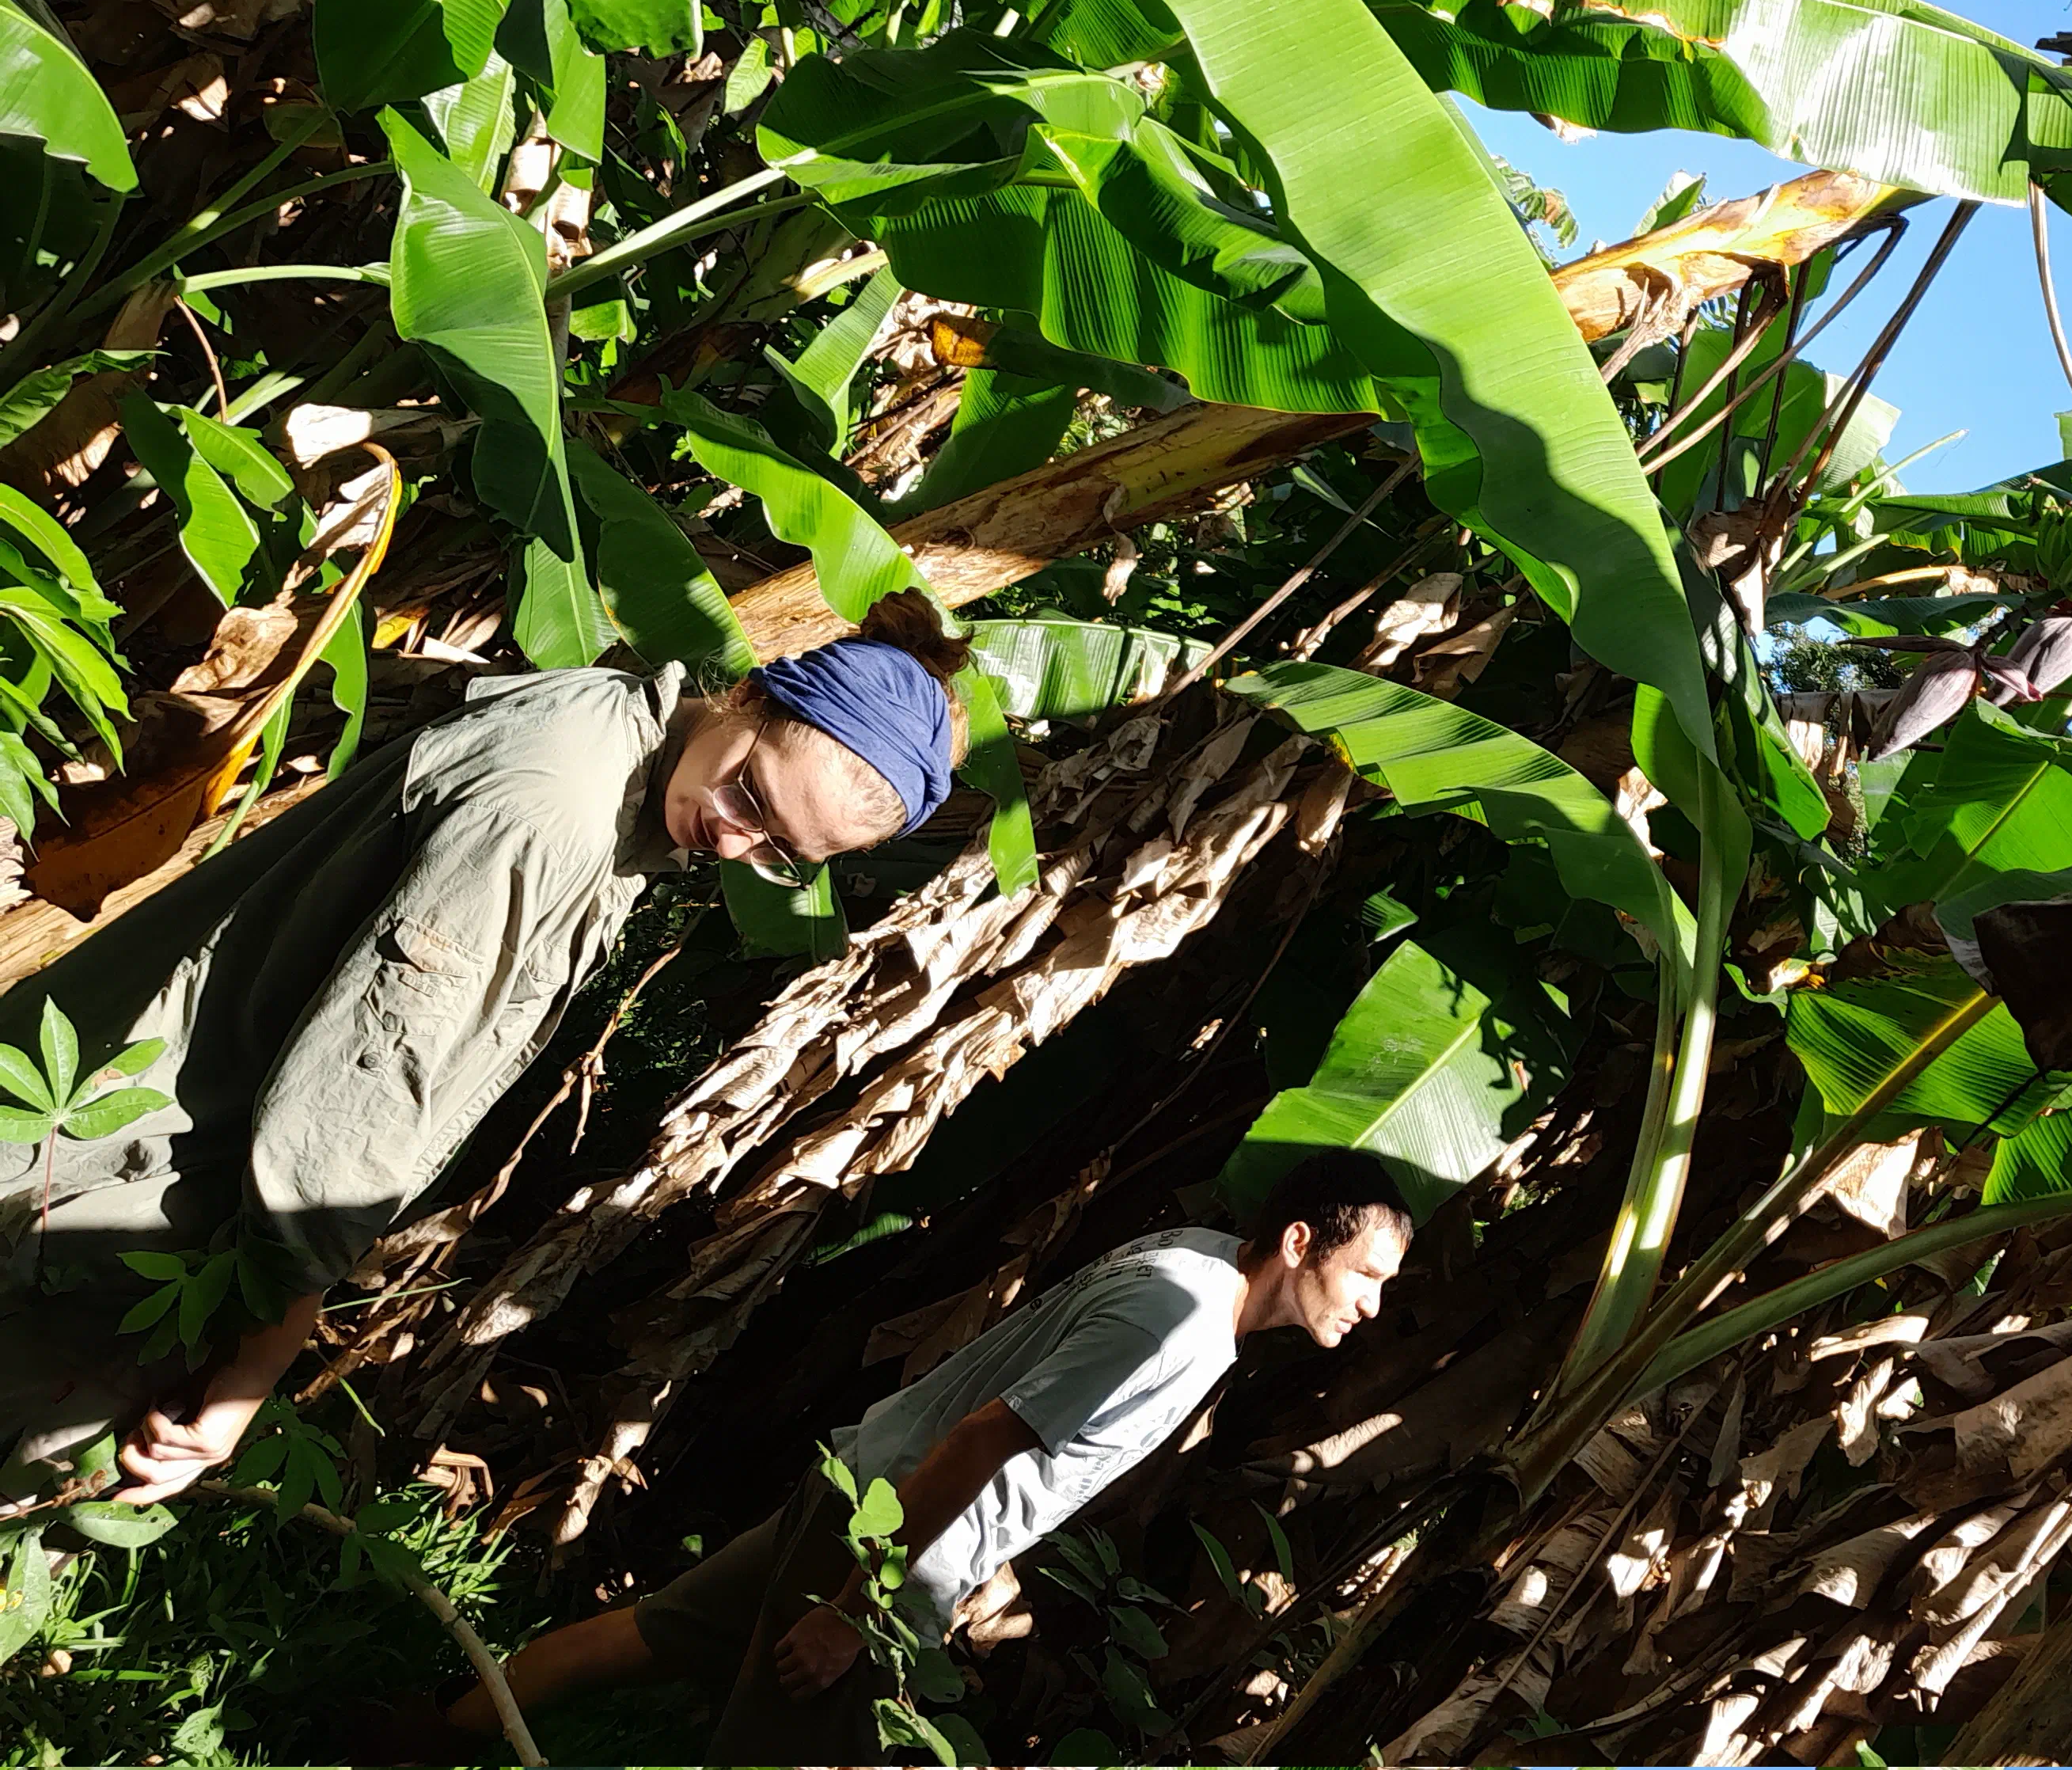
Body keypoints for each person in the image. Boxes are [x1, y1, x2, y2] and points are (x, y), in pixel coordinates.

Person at [0, 591, 978, 1504]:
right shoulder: (554, 819)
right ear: (751, 698)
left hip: (114, 1097)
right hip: (115, 1170)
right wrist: (261, 1357)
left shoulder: (614, 718)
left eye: (777, 853)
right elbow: (356, 1098)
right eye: (751, 798)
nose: (731, 842)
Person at [370, 1148, 1413, 1765]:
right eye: (1364, 1274)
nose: (1371, 1305)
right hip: (884, 1540)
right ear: (1296, 1245)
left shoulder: (1187, 1257)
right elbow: (985, 1438)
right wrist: (855, 1612)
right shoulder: (1180, 1327)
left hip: (863, 1487)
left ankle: (404, 1740)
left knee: (649, 1637)